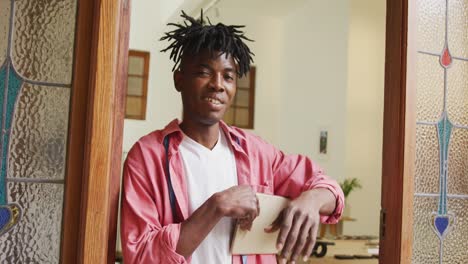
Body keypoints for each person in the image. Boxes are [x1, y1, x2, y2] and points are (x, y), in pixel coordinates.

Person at [121, 11, 344, 264]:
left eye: (228, 76)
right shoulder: (147, 157)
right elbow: (140, 256)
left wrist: (311, 201)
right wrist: (215, 207)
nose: (218, 84)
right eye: (204, 72)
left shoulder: (257, 153)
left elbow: (330, 191)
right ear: (179, 79)